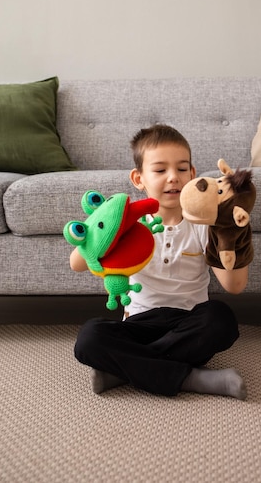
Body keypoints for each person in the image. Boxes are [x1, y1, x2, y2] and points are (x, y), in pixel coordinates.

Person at [71, 124, 251, 399]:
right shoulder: (128, 224)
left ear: (192, 175)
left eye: (181, 169)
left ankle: (123, 370)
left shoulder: (203, 225)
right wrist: (102, 230)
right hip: (138, 323)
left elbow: (234, 285)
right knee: (89, 338)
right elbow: (77, 263)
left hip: (189, 323)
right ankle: (192, 378)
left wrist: (232, 231)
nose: (172, 178)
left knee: (221, 319)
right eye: (159, 170)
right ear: (138, 178)